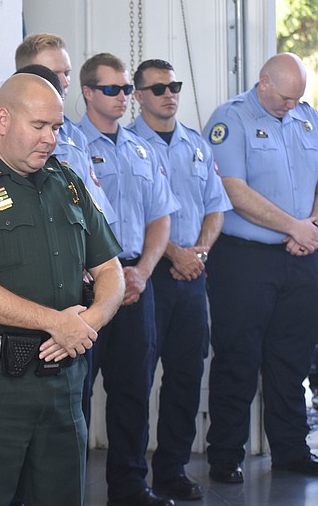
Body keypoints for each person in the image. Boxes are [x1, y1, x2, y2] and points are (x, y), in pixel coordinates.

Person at [0, 73, 125, 505]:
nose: (50, 139)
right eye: (39, 126)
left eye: (56, 128)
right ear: (3, 120)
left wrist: (85, 324)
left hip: (64, 381)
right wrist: (57, 323)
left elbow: (112, 272)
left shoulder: (68, 184)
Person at [202, 52, 318, 483]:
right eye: (285, 97)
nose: (291, 105)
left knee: (293, 359)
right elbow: (232, 189)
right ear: (263, 83)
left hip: (302, 256)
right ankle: (225, 454)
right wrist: (294, 225)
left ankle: (290, 449)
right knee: (238, 357)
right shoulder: (231, 119)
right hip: (245, 260)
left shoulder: (308, 118)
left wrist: (310, 228)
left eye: (297, 98)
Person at [127, 59, 232, 501]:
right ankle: (131, 478)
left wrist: (199, 253)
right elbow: (136, 216)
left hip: (192, 275)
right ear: (138, 95)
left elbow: (216, 205)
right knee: (136, 379)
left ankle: (172, 469)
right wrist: (174, 254)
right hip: (149, 275)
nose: (169, 94)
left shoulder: (196, 143)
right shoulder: (128, 144)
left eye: (174, 86)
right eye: (158, 88)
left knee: (188, 375)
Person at [78, 53, 179, 506]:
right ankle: (67, 488)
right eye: (111, 90)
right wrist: (112, 274)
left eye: (124, 90)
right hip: (87, 284)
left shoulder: (143, 148)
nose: (122, 99)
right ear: (87, 92)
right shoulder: (69, 144)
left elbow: (161, 218)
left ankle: (130, 487)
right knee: (76, 394)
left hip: (138, 281)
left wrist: (142, 271)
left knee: (133, 389)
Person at [14, 33, 116, 224]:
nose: (66, 82)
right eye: (54, 73)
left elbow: (98, 215)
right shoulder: (4, 135)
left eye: (67, 73)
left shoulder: (75, 136)